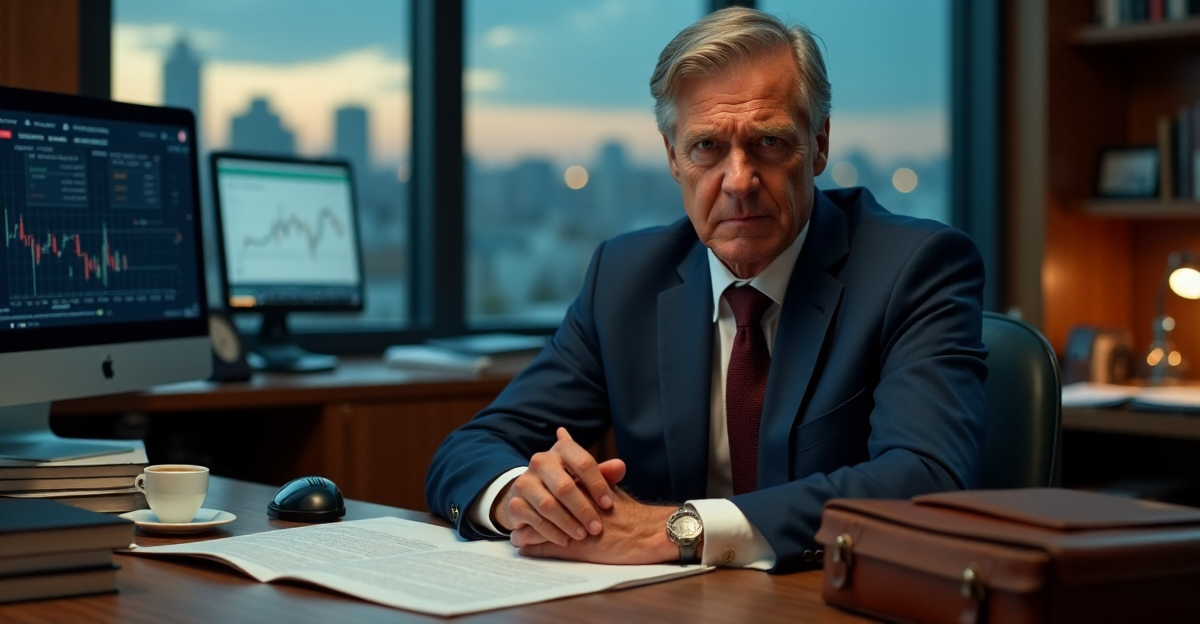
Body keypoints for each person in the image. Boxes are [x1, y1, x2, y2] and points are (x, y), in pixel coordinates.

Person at [425, 6, 987, 573]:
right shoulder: (625, 278)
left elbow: (926, 475)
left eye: (769, 142)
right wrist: (526, 498)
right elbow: (471, 449)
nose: (739, 181)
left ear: (818, 145)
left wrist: (676, 531)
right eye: (707, 148)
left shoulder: (916, 268)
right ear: (673, 157)